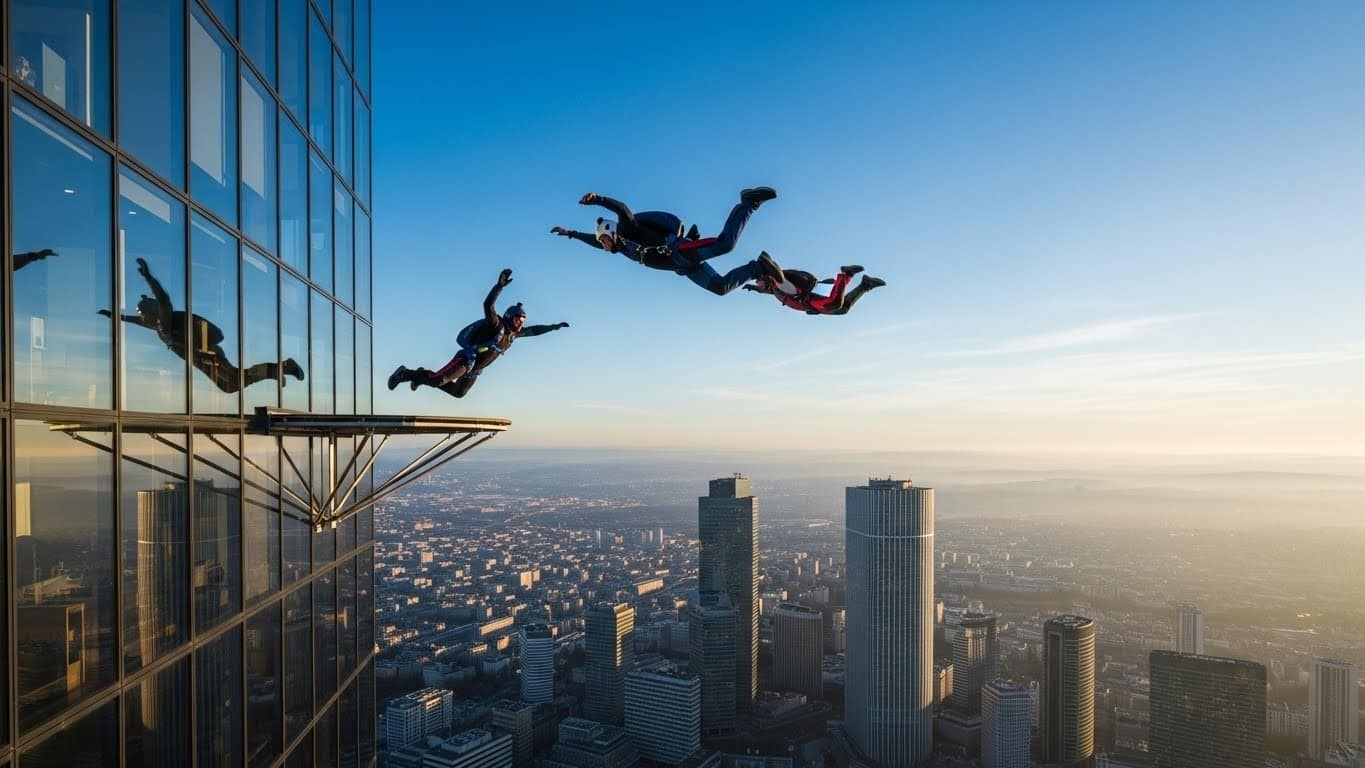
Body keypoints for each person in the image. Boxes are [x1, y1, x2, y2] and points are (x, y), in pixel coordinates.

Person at [102, 258, 305, 391]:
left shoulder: (164, 319)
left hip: (207, 354)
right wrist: (118, 317)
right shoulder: (158, 325)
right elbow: (138, 322)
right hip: (201, 357)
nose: (141, 318)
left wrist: (149, 278)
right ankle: (280, 369)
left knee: (233, 382)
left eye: (143, 314)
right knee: (231, 384)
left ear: (152, 312)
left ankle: (283, 368)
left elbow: (163, 299)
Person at [550, 187, 785, 295]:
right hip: (684, 267)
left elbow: (622, 209)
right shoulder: (622, 249)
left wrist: (598, 199)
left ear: (611, 232)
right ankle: (757, 267)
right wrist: (570, 233)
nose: (603, 245)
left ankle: (748, 203)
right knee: (721, 288)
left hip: (681, 251)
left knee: (726, 244)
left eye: (604, 241)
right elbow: (592, 240)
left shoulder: (627, 230)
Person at [387, 268, 568, 398]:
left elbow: (534, 331)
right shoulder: (496, 324)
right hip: (466, 360)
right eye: (518, 320)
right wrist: (499, 286)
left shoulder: (513, 336)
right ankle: (406, 374)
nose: (521, 324)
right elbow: (487, 305)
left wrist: (553, 327)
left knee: (459, 393)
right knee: (438, 380)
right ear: (510, 317)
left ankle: (422, 375)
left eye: (523, 321)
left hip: (476, 369)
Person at [743, 264, 887, 315]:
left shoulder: (777, 283)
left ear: (765, 278)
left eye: (758, 281)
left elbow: (780, 280)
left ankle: (846, 275)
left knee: (834, 304)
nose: (757, 283)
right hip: (813, 302)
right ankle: (866, 284)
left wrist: (768, 267)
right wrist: (755, 289)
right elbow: (768, 291)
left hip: (810, 299)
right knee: (843, 309)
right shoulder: (774, 289)